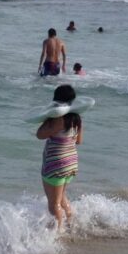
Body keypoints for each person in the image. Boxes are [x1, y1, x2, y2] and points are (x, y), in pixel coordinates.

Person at [36, 84, 83, 231]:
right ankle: (71, 224)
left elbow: (40, 134)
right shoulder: (77, 119)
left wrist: (47, 118)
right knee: (62, 197)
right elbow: (78, 141)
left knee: (53, 203)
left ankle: (58, 233)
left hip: (56, 165)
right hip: (71, 163)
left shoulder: (57, 119)